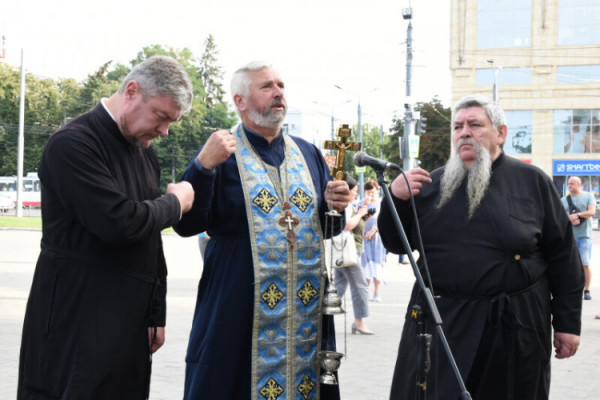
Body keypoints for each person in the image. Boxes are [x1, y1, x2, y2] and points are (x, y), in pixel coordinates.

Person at [378, 94, 584, 400]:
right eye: (458, 126)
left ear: (500, 133)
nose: (464, 132)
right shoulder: (427, 186)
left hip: (514, 326)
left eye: (475, 124)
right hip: (443, 325)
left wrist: (567, 324)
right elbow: (395, 244)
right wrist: (394, 200)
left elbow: (564, 258)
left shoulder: (533, 182)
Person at [17, 56, 195, 399]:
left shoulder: (145, 154)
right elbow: (120, 223)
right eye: (161, 116)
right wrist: (176, 203)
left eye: (170, 122)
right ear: (131, 91)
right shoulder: (73, 143)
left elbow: (150, 240)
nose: (164, 131)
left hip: (128, 321)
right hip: (76, 315)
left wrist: (156, 312)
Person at [173, 61, 350, 400]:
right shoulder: (220, 152)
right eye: (267, 86)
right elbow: (186, 224)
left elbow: (328, 225)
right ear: (240, 101)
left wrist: (336, 206)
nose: (278, 92)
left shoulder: (307, 153)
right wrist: (201, 167)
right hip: (240, 306)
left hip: (305, 310)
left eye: (281, 85)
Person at [333, 176, 374, 335]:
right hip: (346, 251)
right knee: (360, 284)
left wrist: (362, 213)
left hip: (345, 250)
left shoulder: (349, 206)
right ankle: (359, 321)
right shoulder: (342, 206)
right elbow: (347, 225)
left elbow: (355, 223)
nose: (356, 194)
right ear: (346, 190)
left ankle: (320, 317)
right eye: (354, 191)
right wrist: (360, 213)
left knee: (339, 285)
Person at [561, 176, 596, 300]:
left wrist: (577, 214)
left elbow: (592, 212)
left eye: (572, 184)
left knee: (584, 264)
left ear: (578, 184)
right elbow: (558, 217)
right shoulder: (563, 200)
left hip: (584, 236)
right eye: (568, 184)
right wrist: (568, 219)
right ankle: (570, 289)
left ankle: (586, 290)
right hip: (568, 237)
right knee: (567, 265)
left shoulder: (588, 196)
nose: (569, 186)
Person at [361, 178, 386, 302]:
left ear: (377, 190)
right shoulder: (362, 203)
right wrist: (364, 204)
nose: (370, 195)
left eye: (372, 192)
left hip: (377, 239)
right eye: (368, 192)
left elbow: (383, 220)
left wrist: (374, 230)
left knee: (377, 264)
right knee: (366, 265)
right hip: (364, 238)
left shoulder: (382, 203)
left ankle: (376, 292)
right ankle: (365, 293)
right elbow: (358, 218)